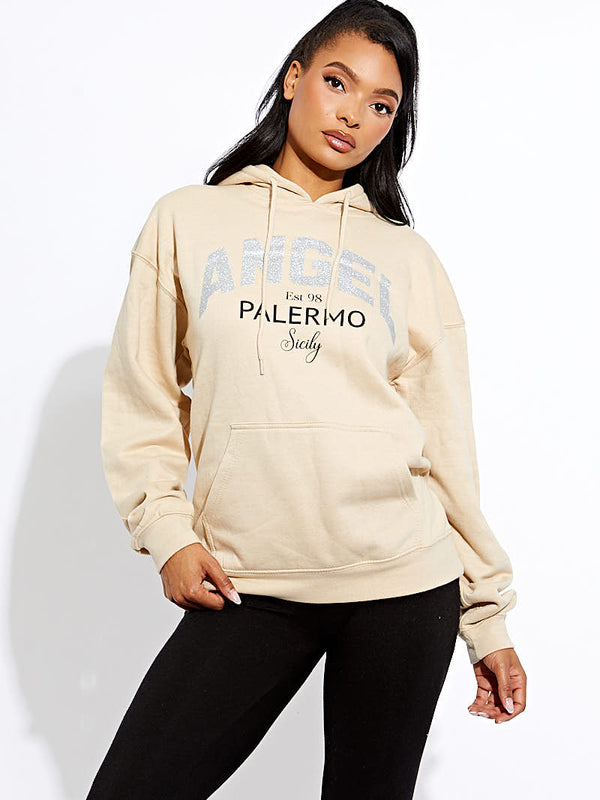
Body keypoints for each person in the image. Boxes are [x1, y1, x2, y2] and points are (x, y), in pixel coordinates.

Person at [87, 1, 527, 797]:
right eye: (337, 83)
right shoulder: (188, 220)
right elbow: (143, 394)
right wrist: (167, 531)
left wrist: (486, 618)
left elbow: (446, 446)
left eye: (382, 105)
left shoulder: (406, 257)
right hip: (247, 580)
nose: (354, 115)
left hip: (402, 585)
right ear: (294, 79)